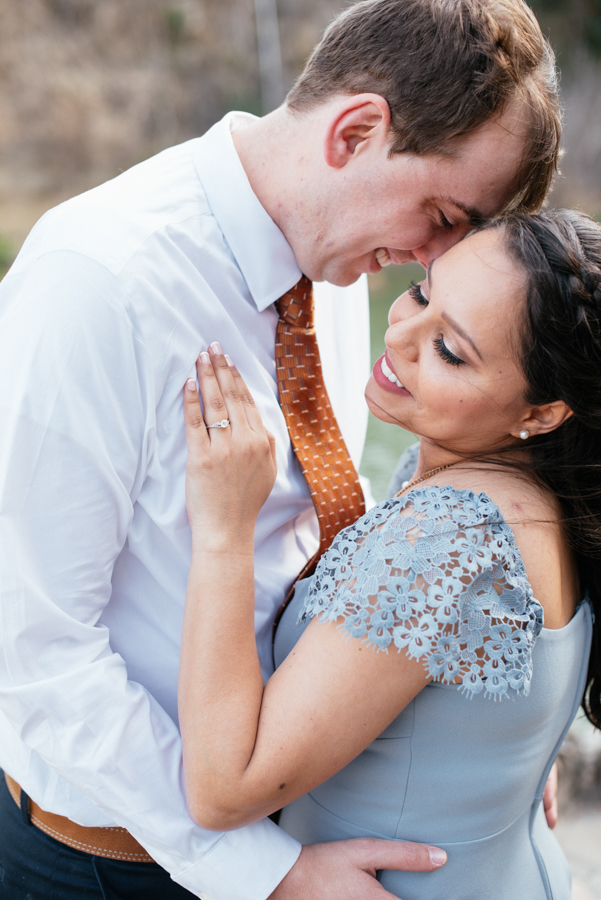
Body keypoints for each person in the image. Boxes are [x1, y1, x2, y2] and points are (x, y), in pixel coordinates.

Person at [0, 0, 560, 897]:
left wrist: (467, 747)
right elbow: (31, 647)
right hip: (111, 866)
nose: (433, 261)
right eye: (444, 215)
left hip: (293, 817)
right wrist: (266, 873)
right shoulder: (98, 284)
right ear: (356, 130)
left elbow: (326, 541)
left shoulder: (334, 258)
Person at [179, 209, 599, 900]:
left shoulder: (448, 536)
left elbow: (226, 788)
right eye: (423, 293)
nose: (399, 335)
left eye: (450, 351)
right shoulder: (545, 489)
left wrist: (225, 530)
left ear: (542, 411)